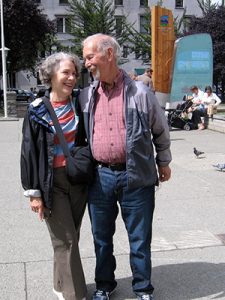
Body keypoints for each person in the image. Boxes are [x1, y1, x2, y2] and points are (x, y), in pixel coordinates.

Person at [80, 33, 172, 300]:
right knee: (101, 237)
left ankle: (142, 289)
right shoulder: (86, 96)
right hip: (100, 176)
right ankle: (105, 285)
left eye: (90, 56)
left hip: (137, 176)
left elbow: (160, 130)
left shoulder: (140, 93)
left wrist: (163, 160)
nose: (86, 63)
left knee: (140, 239)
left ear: (109, 54)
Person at [20, 52, 87, 300]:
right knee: (66, 240)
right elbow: (28, 152)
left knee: (70, 238)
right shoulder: (37, 111)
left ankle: (59, 285)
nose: (71, 78)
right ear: (51, 76)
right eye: (65, 73)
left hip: (78, 180)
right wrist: (34, 193)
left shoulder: (80, 102)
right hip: (51, 181)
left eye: (74, 73)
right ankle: (75, 295)